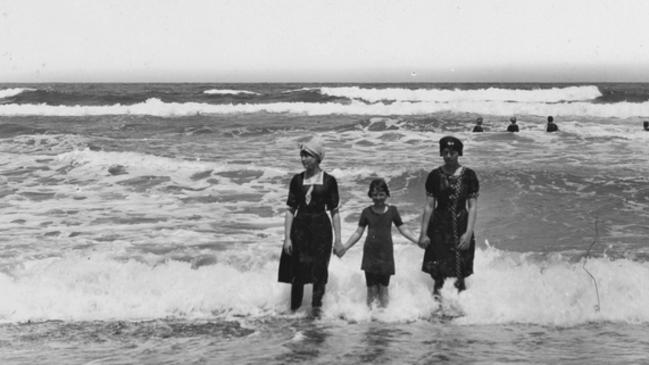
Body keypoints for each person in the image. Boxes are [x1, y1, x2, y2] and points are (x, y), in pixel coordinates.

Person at [278, 139, 342, 313]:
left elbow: (334, 211)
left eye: (307, 155)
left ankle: (316, 315)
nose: (304, 159)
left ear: (317, 157)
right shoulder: (297, 180)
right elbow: (290, 210)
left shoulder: (329, 181)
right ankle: (294, 313)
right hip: (300, 231)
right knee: (297, 275)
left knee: (319, 275)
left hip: (322, 231)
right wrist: (287, 238)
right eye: (302, 155)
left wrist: (338, 240)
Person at [335, 178, 418, 308]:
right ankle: (371, 319)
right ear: (370, 195)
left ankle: (384, 319)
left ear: (386, 194)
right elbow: (358, 233)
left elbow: (403, 229)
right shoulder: (366, 212)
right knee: (371, 289)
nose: (378, 198)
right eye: (374, 195)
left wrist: (417, 240)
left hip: (386, 255)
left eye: (381, 194)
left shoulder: (393, 211)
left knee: (384, 288)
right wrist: (345, 247)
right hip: (370, 254)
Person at [418, 136, 479, 297]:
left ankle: (462, 312)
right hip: (439, 228)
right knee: (439, 275)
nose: (448, 156)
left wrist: (468, 233)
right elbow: (429, 206)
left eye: (452, 152)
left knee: (460, 274)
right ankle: (437, 311)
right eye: (445, 152)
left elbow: (472, 207)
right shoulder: (434, 176)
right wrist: (423, 233)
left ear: (459, 153)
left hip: (461, 226)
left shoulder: (469, 175)